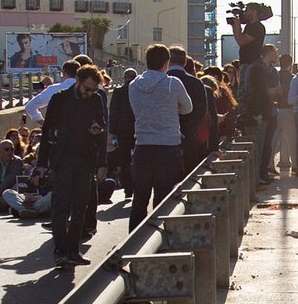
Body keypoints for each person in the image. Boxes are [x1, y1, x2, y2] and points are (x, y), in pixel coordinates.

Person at [41, 62, 111, 265]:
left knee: (81, 207)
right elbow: (47, 132)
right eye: (87, 88)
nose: (89, 93)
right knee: (61, 206)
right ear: (78, 81)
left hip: (86, 158)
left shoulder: (96, 99)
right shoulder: (60, 99)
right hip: (63, 159)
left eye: (93, 90)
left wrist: (101, 161)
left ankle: (73, 250)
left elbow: (103, 126)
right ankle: (60, 251)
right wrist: (41, 163)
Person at [125, 43, 194, 224]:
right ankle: (161, 240)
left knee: (140, 198)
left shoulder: (133, 85)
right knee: (163, 198)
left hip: (142, 146)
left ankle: (133, 243)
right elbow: (188, 108)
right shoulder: (172, 83)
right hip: (168, 147)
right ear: (166, 63)